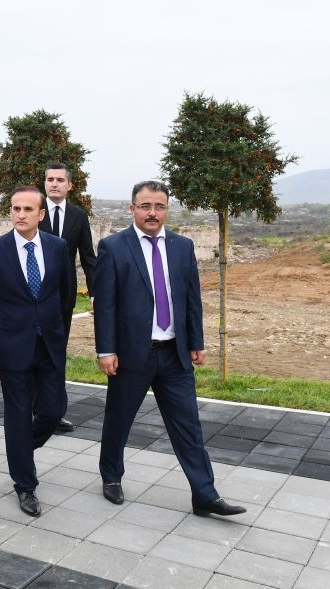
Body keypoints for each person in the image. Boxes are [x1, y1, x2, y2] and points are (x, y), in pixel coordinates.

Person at [94, 180, 246, 517]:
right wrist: (106, 350)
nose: (152, 213)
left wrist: (196, 341)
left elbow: (192, 298)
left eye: (159, 206)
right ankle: (111, 476)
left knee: (188, 426)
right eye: (145, 206)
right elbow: (105, 305)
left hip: (174, 355)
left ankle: (205, 494)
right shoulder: (113, 247)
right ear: (132, 209)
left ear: (167, 209)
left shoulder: (182, 246)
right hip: (132, 354)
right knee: (119, 420)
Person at [0, 186, 71, 517]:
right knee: (17, 414)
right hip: (14, 347)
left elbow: (65, 295)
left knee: (53, 409)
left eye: (27, 209)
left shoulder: (58, 247)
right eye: (15, 209)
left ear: (41, 214)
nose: (20, 214)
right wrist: (7, 327)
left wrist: (52, 327)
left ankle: (19, 447)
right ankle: (25, 484)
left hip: (49, 344)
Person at [39, 162, 97, 433]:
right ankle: (33, 408)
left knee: (57, 354)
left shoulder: (78, 215)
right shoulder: (34, 211)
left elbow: (88, 257)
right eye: (50, 179)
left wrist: (95, 293)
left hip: (63, 298)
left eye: (60, 180)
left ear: (69, 185)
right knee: (33, 351)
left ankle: (55, 412)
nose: (54, 184)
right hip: (33, 295)